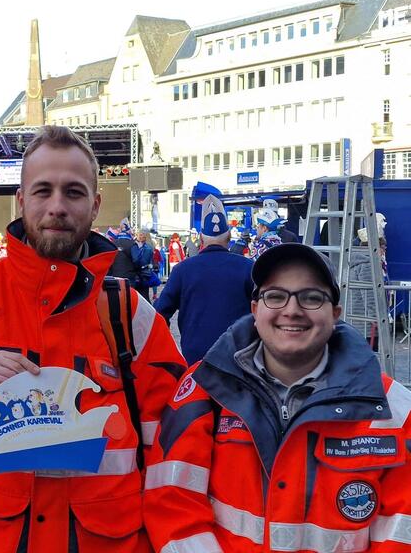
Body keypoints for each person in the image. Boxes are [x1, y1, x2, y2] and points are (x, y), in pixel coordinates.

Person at [0, 125, 185, 552]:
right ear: (20, 200)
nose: (57, 207)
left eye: (73, 192)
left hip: (103, 538)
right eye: (42, 190)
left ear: (95, 204)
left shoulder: (130, 314)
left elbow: (174, 439)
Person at [145, 242, 411, 552]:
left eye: (312, 297)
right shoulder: (202, 391)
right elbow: (171, 503)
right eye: (275, 296)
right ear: (255, 309)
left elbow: (401, 531)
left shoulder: (392, 408)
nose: (292, 309)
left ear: (335, 313)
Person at [154, 195, 254, 366]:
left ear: (201, 239)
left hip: (195, 358)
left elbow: (158, 315)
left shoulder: (182, 270)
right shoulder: (248, 267)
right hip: (239, 356)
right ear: (229, 237)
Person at [130, 226, 155, 302]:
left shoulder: (148, 248)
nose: (141, 236)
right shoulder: (133, 245)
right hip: (137, 274)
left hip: (143, 274)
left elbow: (147, 260)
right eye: (140, 235)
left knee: (144, 296)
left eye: (143, 235)